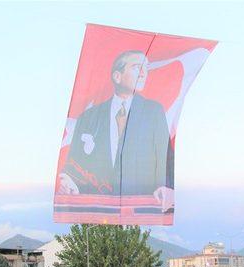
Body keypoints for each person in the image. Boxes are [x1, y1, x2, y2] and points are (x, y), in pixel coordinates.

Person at [57, 50, 173, 212]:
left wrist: (166, 186)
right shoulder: (89, 117)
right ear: (117, 76)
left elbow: (164, 153)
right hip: (98, 208)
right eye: (136, 67)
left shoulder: (153, 111)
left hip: (141, 207)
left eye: (146, 68)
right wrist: (68, 182)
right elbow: (74, 163)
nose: (143, 74)